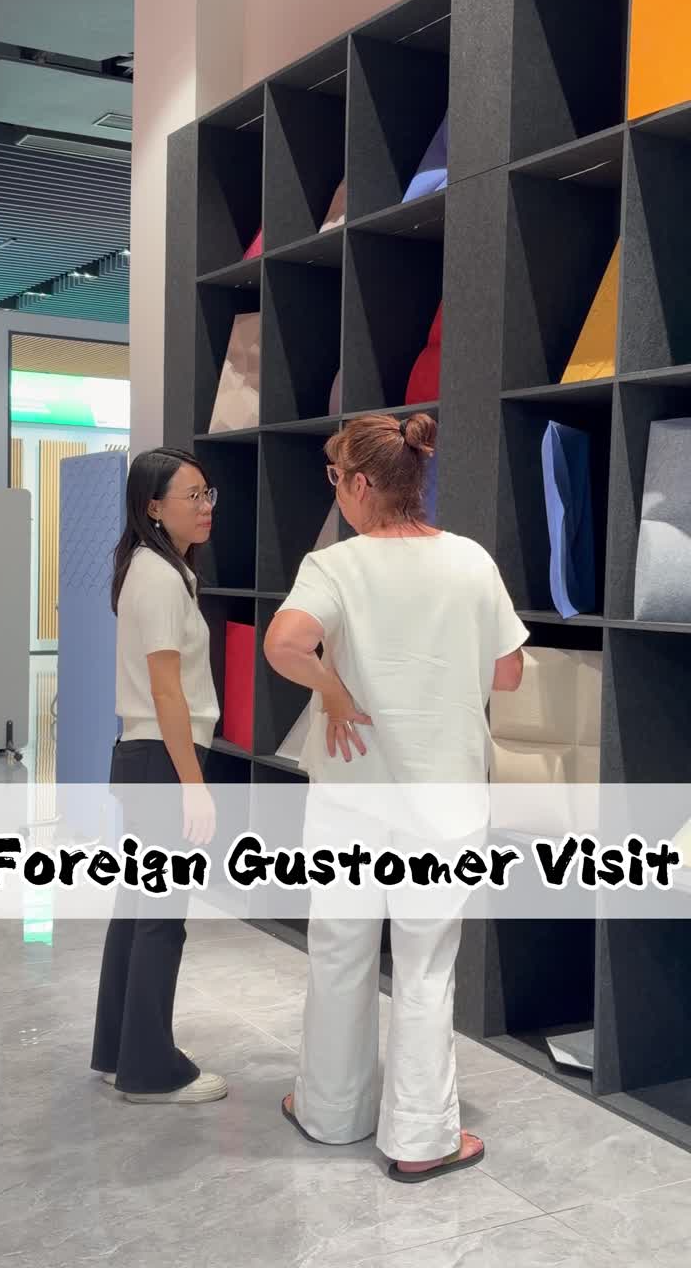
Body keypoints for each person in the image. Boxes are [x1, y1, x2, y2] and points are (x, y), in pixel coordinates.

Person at [263, 412, 527, 1181]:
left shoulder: (335, 567)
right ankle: (419, 1139)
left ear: (360, 483)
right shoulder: (471, 562)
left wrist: (336, 692)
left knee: (339, 951)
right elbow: (508, 672)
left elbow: (285, 643)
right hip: (443, 804)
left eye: (334, 477)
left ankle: (330, 1110)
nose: (335, 490)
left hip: (351, 801)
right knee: (425, 966)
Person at [91, 447, 227, 1104]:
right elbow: (168, 691)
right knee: (160, 918)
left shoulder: (154, 569)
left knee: (137, 909)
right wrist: (193, 785)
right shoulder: (161, 579)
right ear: (153, 507)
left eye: (207, 494)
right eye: (191, 496)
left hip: (142, 757)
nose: (205, 507)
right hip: (162, 760)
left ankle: (119, 1052)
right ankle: (149, 1069)